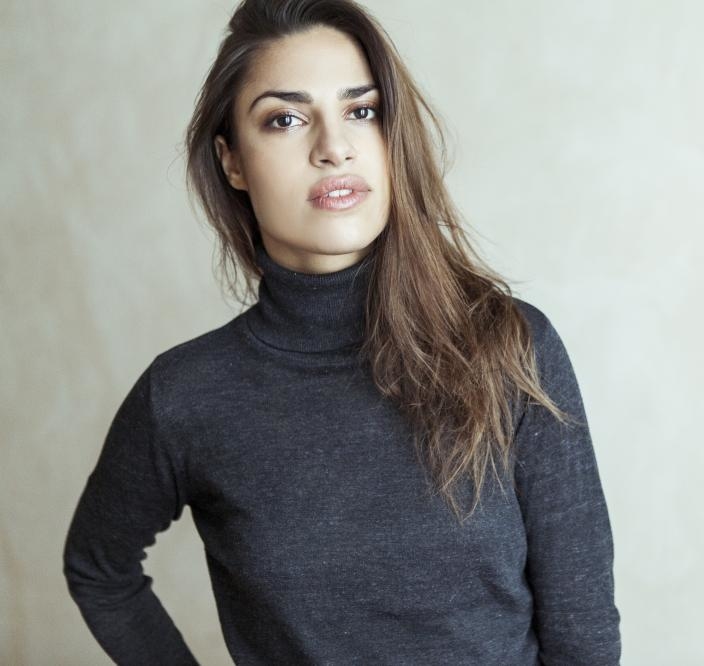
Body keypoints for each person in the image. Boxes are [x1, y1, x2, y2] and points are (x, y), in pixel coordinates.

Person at [61, 0, 621, 663]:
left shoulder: (511, 347)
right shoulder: (185, 395)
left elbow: (583, 634)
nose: (334, 147)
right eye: (286, 119)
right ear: (232, 162)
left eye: (362, 111)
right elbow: (98, 567)